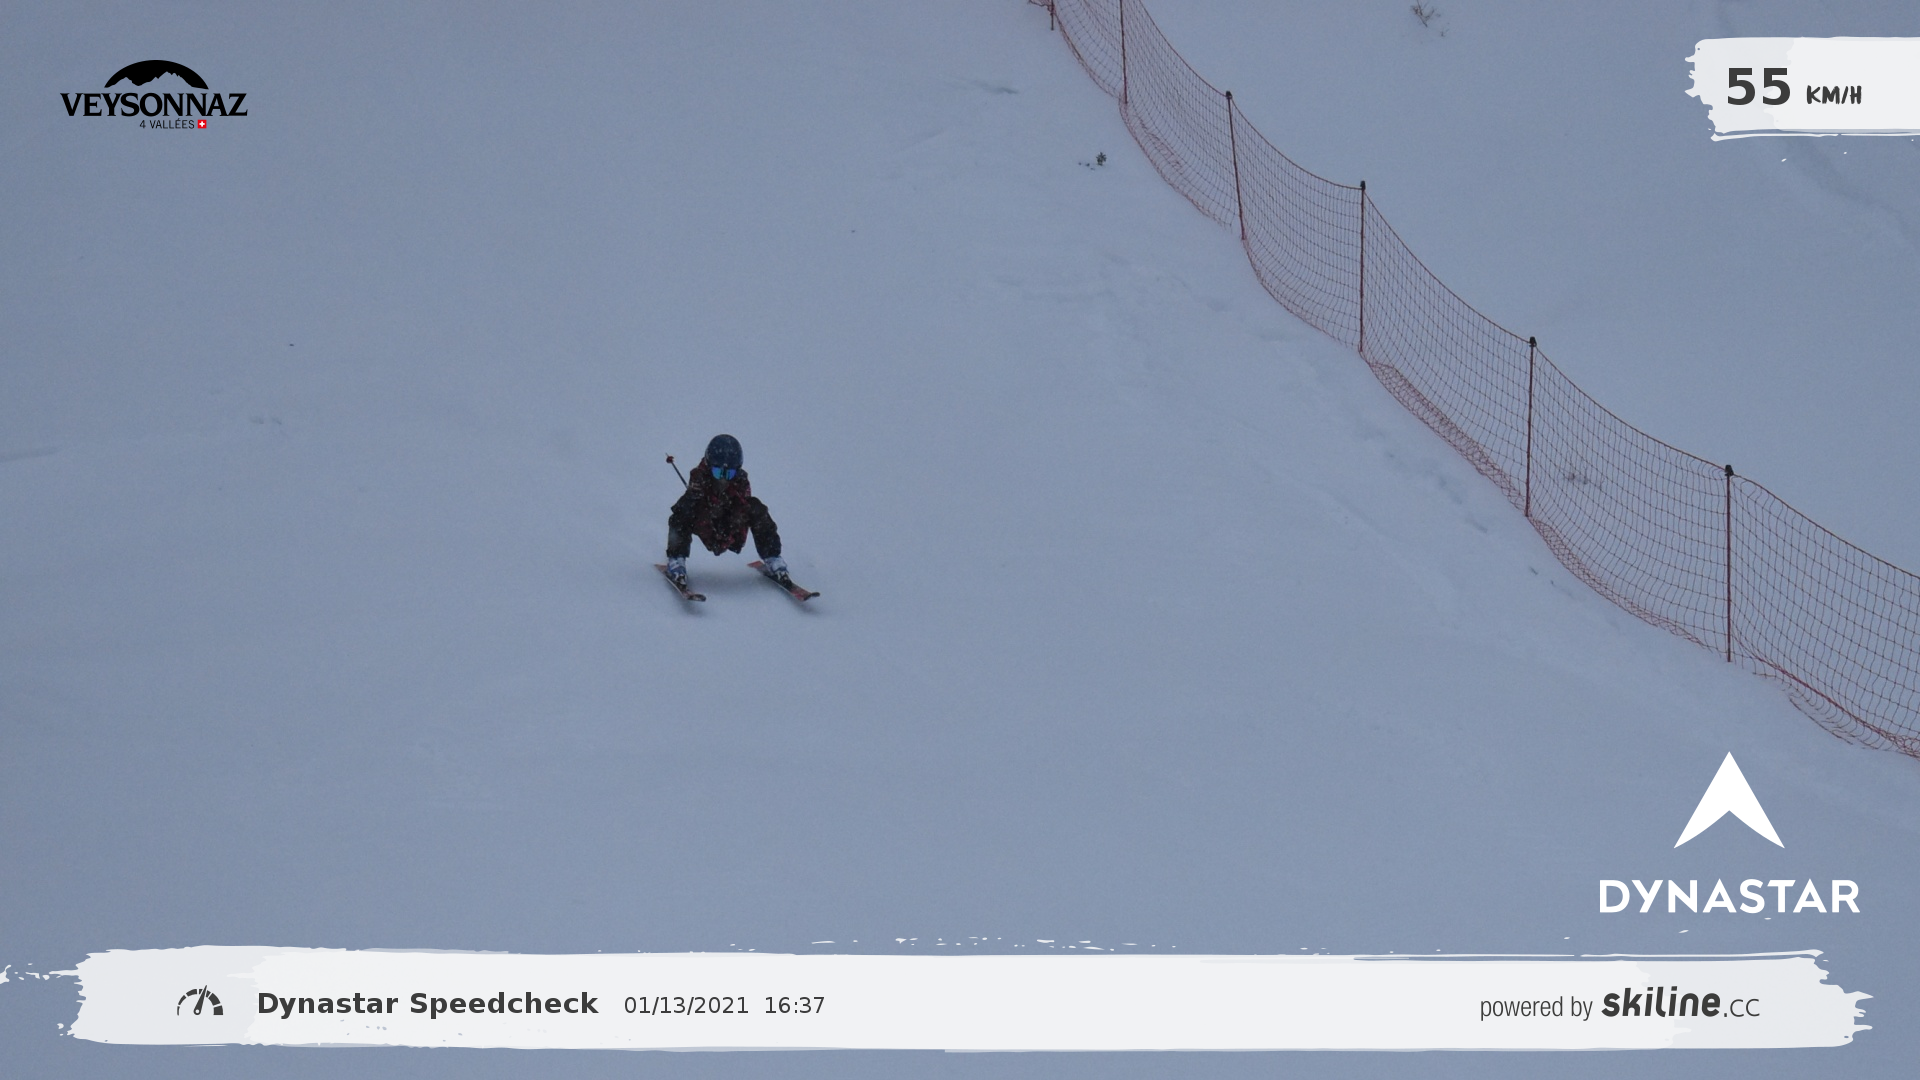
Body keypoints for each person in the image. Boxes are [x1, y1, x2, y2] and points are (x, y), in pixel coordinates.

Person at [665, 434, 788, 586]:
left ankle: (772, 557)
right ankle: (676, 559)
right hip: (705, 521)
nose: (723, 478)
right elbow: (689, 507)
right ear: (709, 466)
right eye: (718, 472)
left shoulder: (740, 481)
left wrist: (730, 524)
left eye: (729, 474)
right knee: (681, 511)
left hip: (730, 523)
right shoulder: (699, 477)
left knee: (756, 508)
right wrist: (693, 498)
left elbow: (742, 505)